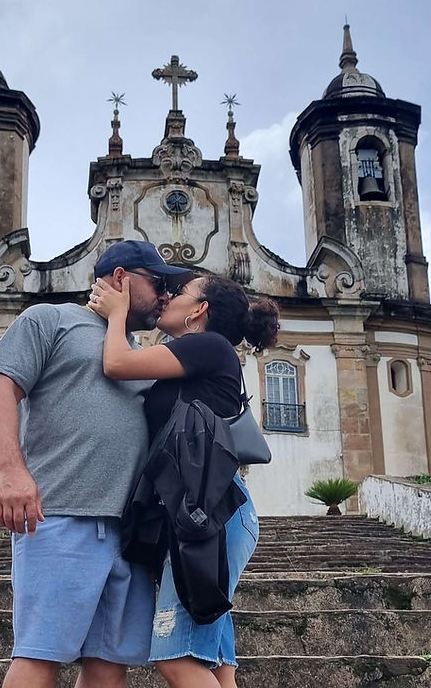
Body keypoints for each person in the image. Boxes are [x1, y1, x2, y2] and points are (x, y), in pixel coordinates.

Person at [0, 240, 188, 688]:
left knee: (110, 667)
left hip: (131, 534)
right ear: (121, 279)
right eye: (159, 283)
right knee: (40, 655)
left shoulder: (135, 354)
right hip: (60, 515)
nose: (166, 295)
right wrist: (11, 471)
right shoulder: (49, 319)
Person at [88, 272, 279, 688]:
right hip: (209, 511)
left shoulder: (208, 346)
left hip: (213, 513)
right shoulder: (191, 355)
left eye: (182, 293)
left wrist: (118, 313)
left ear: (199, 310)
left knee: (177, 657)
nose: (170, 297)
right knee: (218, 667)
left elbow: (117, 363)